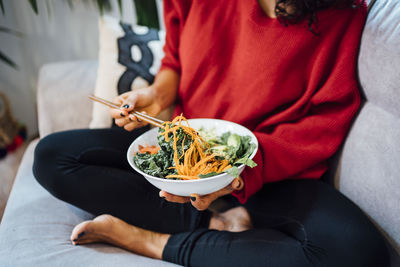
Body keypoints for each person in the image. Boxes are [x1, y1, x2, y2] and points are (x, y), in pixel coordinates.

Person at [33, 0, 390, 266]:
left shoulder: (342, 10)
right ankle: (219, 221)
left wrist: (238, 176)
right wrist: (155, 96)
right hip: (185, 158)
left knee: (359, 252)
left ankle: (151, 241)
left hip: (268, 171)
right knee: (52, 157)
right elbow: (175, 59)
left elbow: (323, 121)